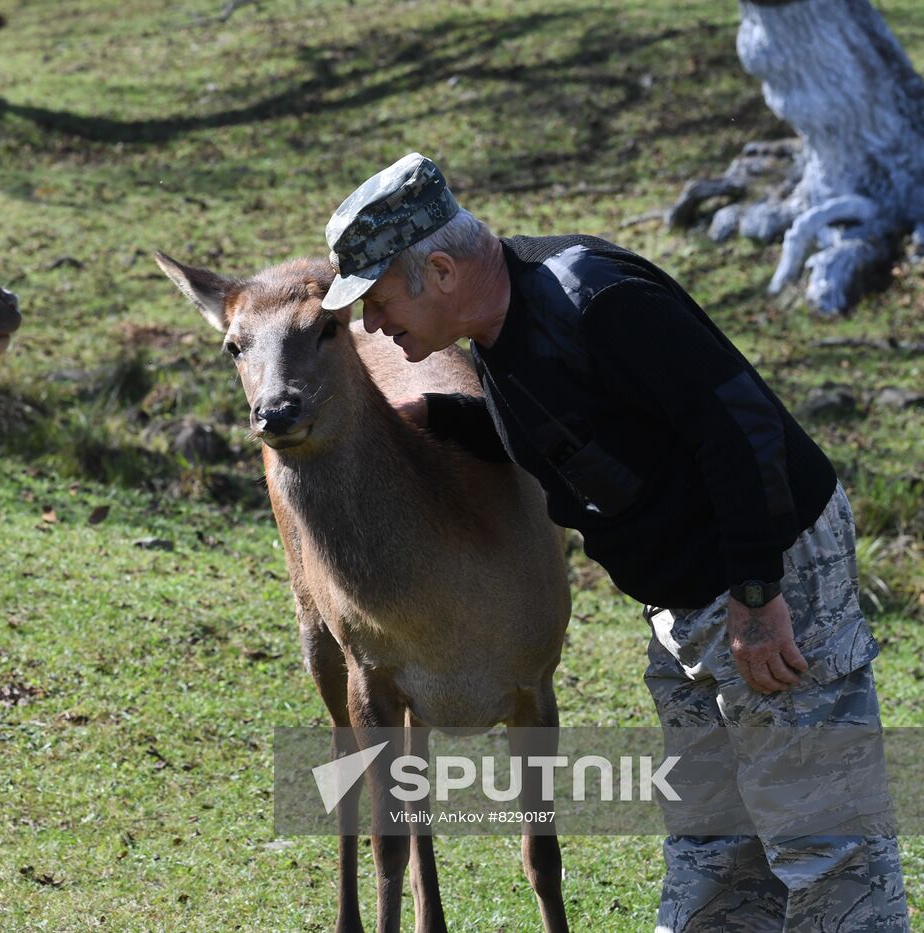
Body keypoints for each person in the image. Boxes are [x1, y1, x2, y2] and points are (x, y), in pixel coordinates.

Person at [320, 152, 908, 931]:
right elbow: (571, 429)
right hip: (689, 605)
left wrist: (760, 596)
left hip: (768, 572)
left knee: (830, 846)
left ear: (438, 268)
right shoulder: (498, 331)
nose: (371, 326)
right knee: (716, 847)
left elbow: (741, 427)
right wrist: (445, 420)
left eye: (378, 299)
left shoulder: (593, 299)